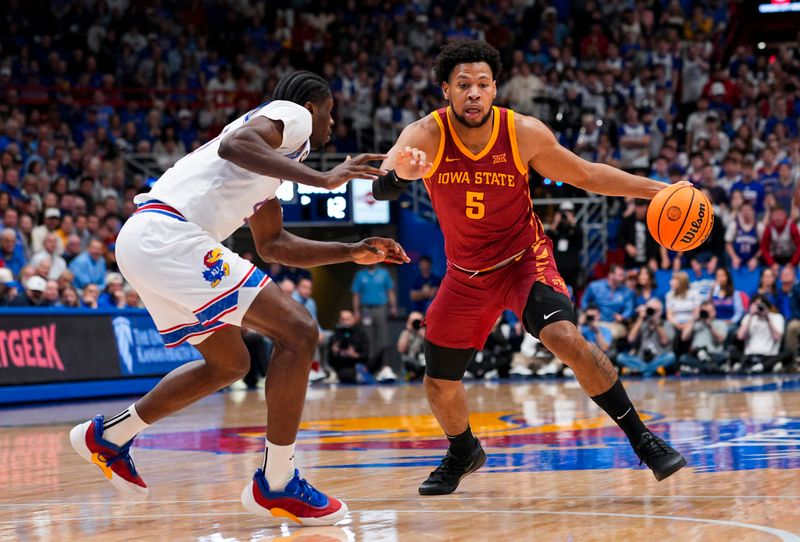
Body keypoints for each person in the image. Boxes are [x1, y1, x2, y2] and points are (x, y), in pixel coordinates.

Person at [69, 71, 409, 525]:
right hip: (171, 236)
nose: (334, 120)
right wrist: (324, 180)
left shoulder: (270, 166)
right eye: (332, 110)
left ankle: (110, 437)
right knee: (300, 330)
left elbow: (275, 246)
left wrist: (350, 251)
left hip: (146, 241)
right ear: (312, 106)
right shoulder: (291, 117)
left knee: (229, 364)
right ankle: (279, 481)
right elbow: (236, 145)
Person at [372, 40, 686, 494]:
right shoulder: (425, 134)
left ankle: (644, 440)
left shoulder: (522, 132)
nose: (474, 93)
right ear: (446, 91)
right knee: (439, 383)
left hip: (524, 259)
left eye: (482, 84)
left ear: (496, 88)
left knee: (565, 338)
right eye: (463, 85)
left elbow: (589, 175)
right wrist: (402, 172)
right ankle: (463, 451)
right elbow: (384, 185)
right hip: (466, 274)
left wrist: (660, 190)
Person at [351, 263, 399, 382]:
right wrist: (356, 311)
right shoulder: (360, 275)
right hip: (366, 309)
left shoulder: (384, 273)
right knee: (368, 338)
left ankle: (385, 367)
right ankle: (368, 369)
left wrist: (393, 306)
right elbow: (356, 294)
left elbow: (390, 291)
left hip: (381, 307)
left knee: (383, 337)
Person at [617, 298, 676, 376]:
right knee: (620, 357)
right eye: (650, 310)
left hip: (658, 359)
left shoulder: (666, 324)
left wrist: (656, 323)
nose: (652, 312)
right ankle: (650, 371)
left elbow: (664, 341)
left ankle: (640, 370)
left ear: (661, 312)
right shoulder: (642, 323)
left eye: (656, 310)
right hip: (640, 360)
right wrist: (640, 318)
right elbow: (630, 339)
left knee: (671, 357)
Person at [735, 295, 789, 373]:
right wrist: (750, 316)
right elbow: (740, 337)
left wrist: (767, 318)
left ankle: (760, 367)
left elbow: (777, 337)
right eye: (755, 305)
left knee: (788, 353)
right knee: (732, 352)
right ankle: (759, 366)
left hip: (769, 355)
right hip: (750, 354)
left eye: (760, 305)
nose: (757, 308)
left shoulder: (777, 317)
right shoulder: (748, 317)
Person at [580, 264, 635, 339]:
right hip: (596, 322)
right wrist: (587, 311)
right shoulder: (595, 286)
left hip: (614, 324)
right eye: (620, 275)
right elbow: (584, 300)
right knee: (580, 331)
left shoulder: (627, 291)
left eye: (624, 275)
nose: (623, 278)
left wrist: (623, 316)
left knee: (608, 335)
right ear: (611, 275)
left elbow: (629, 309)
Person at [678, 302, 729, 373]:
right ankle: (710, 368)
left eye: (709, 311)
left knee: (724, 356)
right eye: (704, 311)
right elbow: (684, 338)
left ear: (714, 312)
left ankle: (699, 369)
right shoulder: (695, 324)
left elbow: (720, 340)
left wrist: (710, 326)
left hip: (713, 355)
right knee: (683, 358)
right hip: (697, 355)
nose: (706, 313)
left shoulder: (720, 323)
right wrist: (693, 320)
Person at [328, 309, 371, 383]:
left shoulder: (361, 333)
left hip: (358, 364)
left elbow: (366, 354)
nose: (345, 322)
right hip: (341, 366)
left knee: (385, 350)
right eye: (343, 319)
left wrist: (355, 355)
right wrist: (335, 352)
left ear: (354, 319)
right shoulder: (335, 335)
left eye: (348, 319)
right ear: (339, 320)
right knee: (346, 374)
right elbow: (330, 359)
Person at [724, 203, 761, 271]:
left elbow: (763, 246)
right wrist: (734, 257)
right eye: (744, 210)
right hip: (737, 259)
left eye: (748, 210)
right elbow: (728, 244)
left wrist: (755, 258)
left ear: (753, 212)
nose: (746, 213)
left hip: (752, 260)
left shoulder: (759, 226)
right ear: (740, 213)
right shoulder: (734, 225)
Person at [397, 310, 427, 381]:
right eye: (413, 321)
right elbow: (401, 349)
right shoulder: (406, 333)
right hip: (411, 363)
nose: (415, 324)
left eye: (418, 321)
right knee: (407, 360)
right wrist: (408, 330)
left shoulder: (424, 332)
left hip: (424, 362)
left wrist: (423, 333)